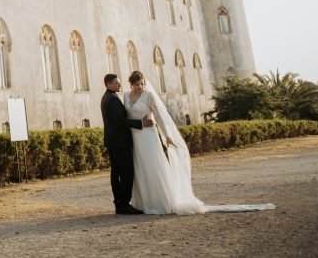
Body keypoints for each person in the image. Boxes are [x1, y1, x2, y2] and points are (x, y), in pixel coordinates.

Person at [124, 70, 275, 215]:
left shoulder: (148, 95)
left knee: (152, 166)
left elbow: (159, 117)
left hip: (148, 136)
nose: (140, 86)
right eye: (137, 84)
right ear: (131, 84)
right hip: (134, 136)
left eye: (142, 83)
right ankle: (143, 203)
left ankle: (159, 203)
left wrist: (167, 135)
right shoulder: (125, 96)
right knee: (139, 167)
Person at [101, 72, 153, 215]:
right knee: (126, 172)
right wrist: (140, 123)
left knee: (116, 173)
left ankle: (119, 204)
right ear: (109, 84)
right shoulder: (112, 99)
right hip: (120, 142)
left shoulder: (107, 97)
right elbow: (120, 121)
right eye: (116, 83)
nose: (119, 84)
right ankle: (124, 204)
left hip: (112, 142)